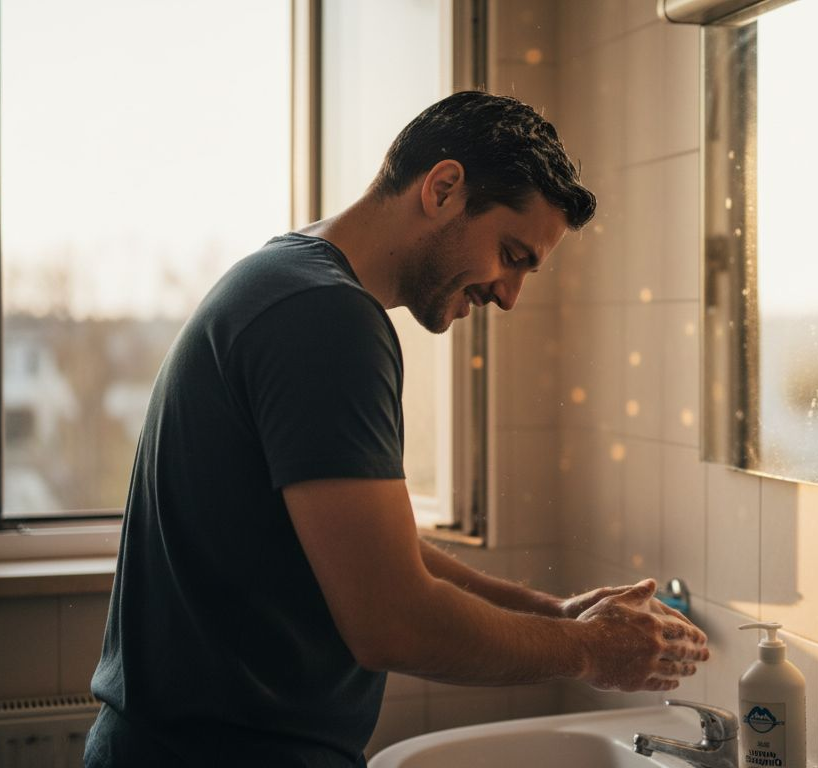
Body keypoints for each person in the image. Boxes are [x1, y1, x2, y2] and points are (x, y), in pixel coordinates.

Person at [84, 91, 710, 767]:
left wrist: (555, 612)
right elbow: (393, 622)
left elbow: (377, 557)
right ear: (443, 188)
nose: (508, 295)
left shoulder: (286, 280)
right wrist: (592, 650)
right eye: (511, 253)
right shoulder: (326, 319)